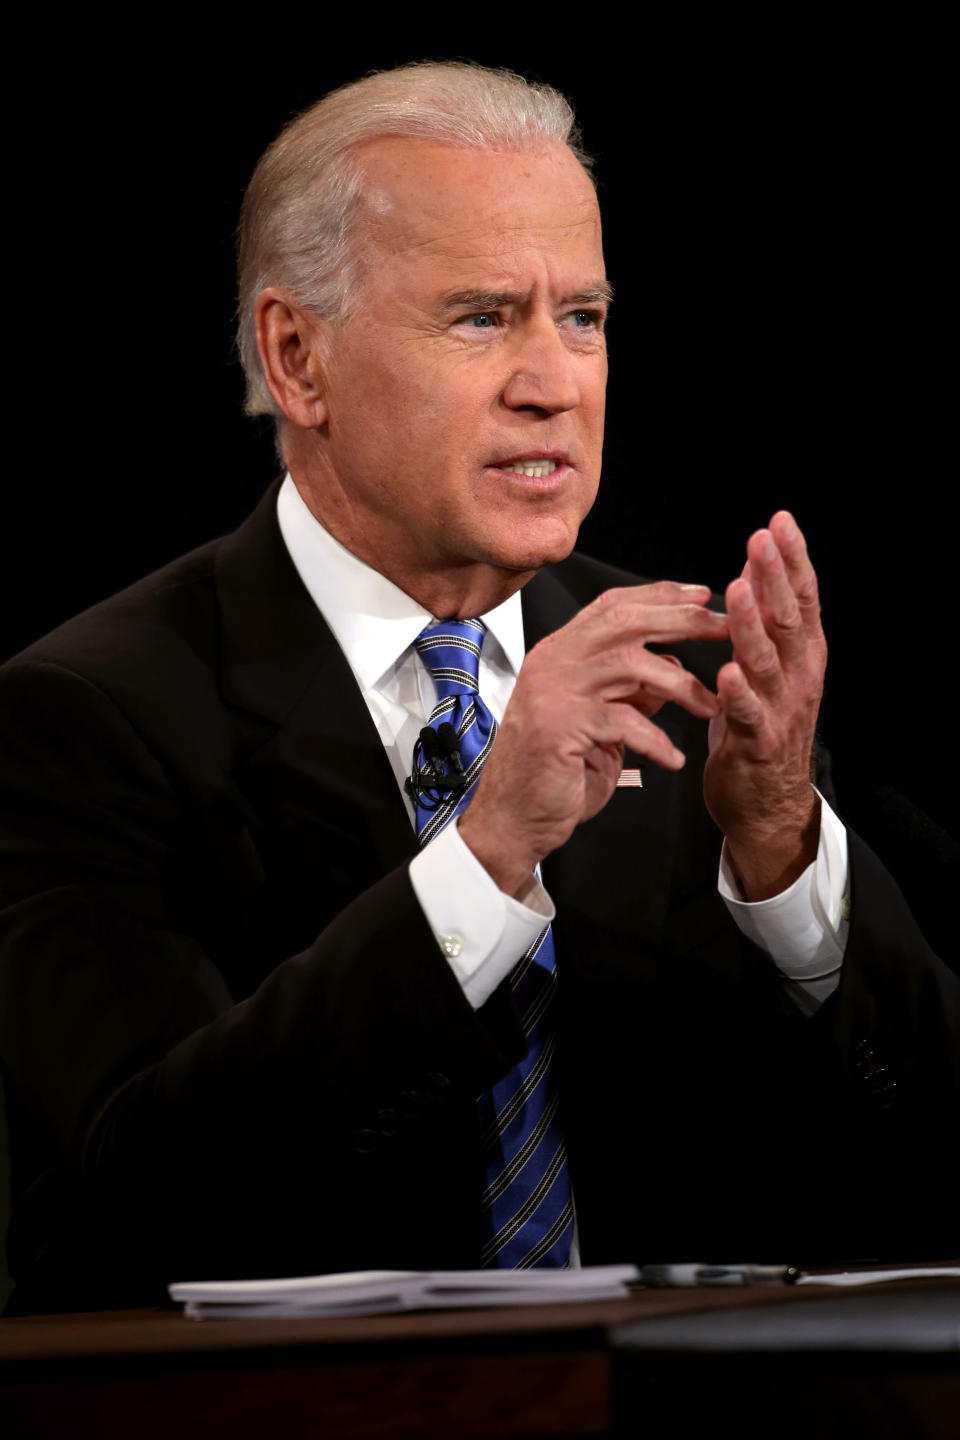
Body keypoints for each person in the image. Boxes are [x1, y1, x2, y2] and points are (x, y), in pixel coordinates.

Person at [0, 62, 956, 1315]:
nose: (553, 382)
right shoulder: (84, 715)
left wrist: (782, 855)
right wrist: (489, 849)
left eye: (584, 318)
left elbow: (920, 1161)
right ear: (299, 359)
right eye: (480, 318)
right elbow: (151, 1189)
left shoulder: (699, 685)